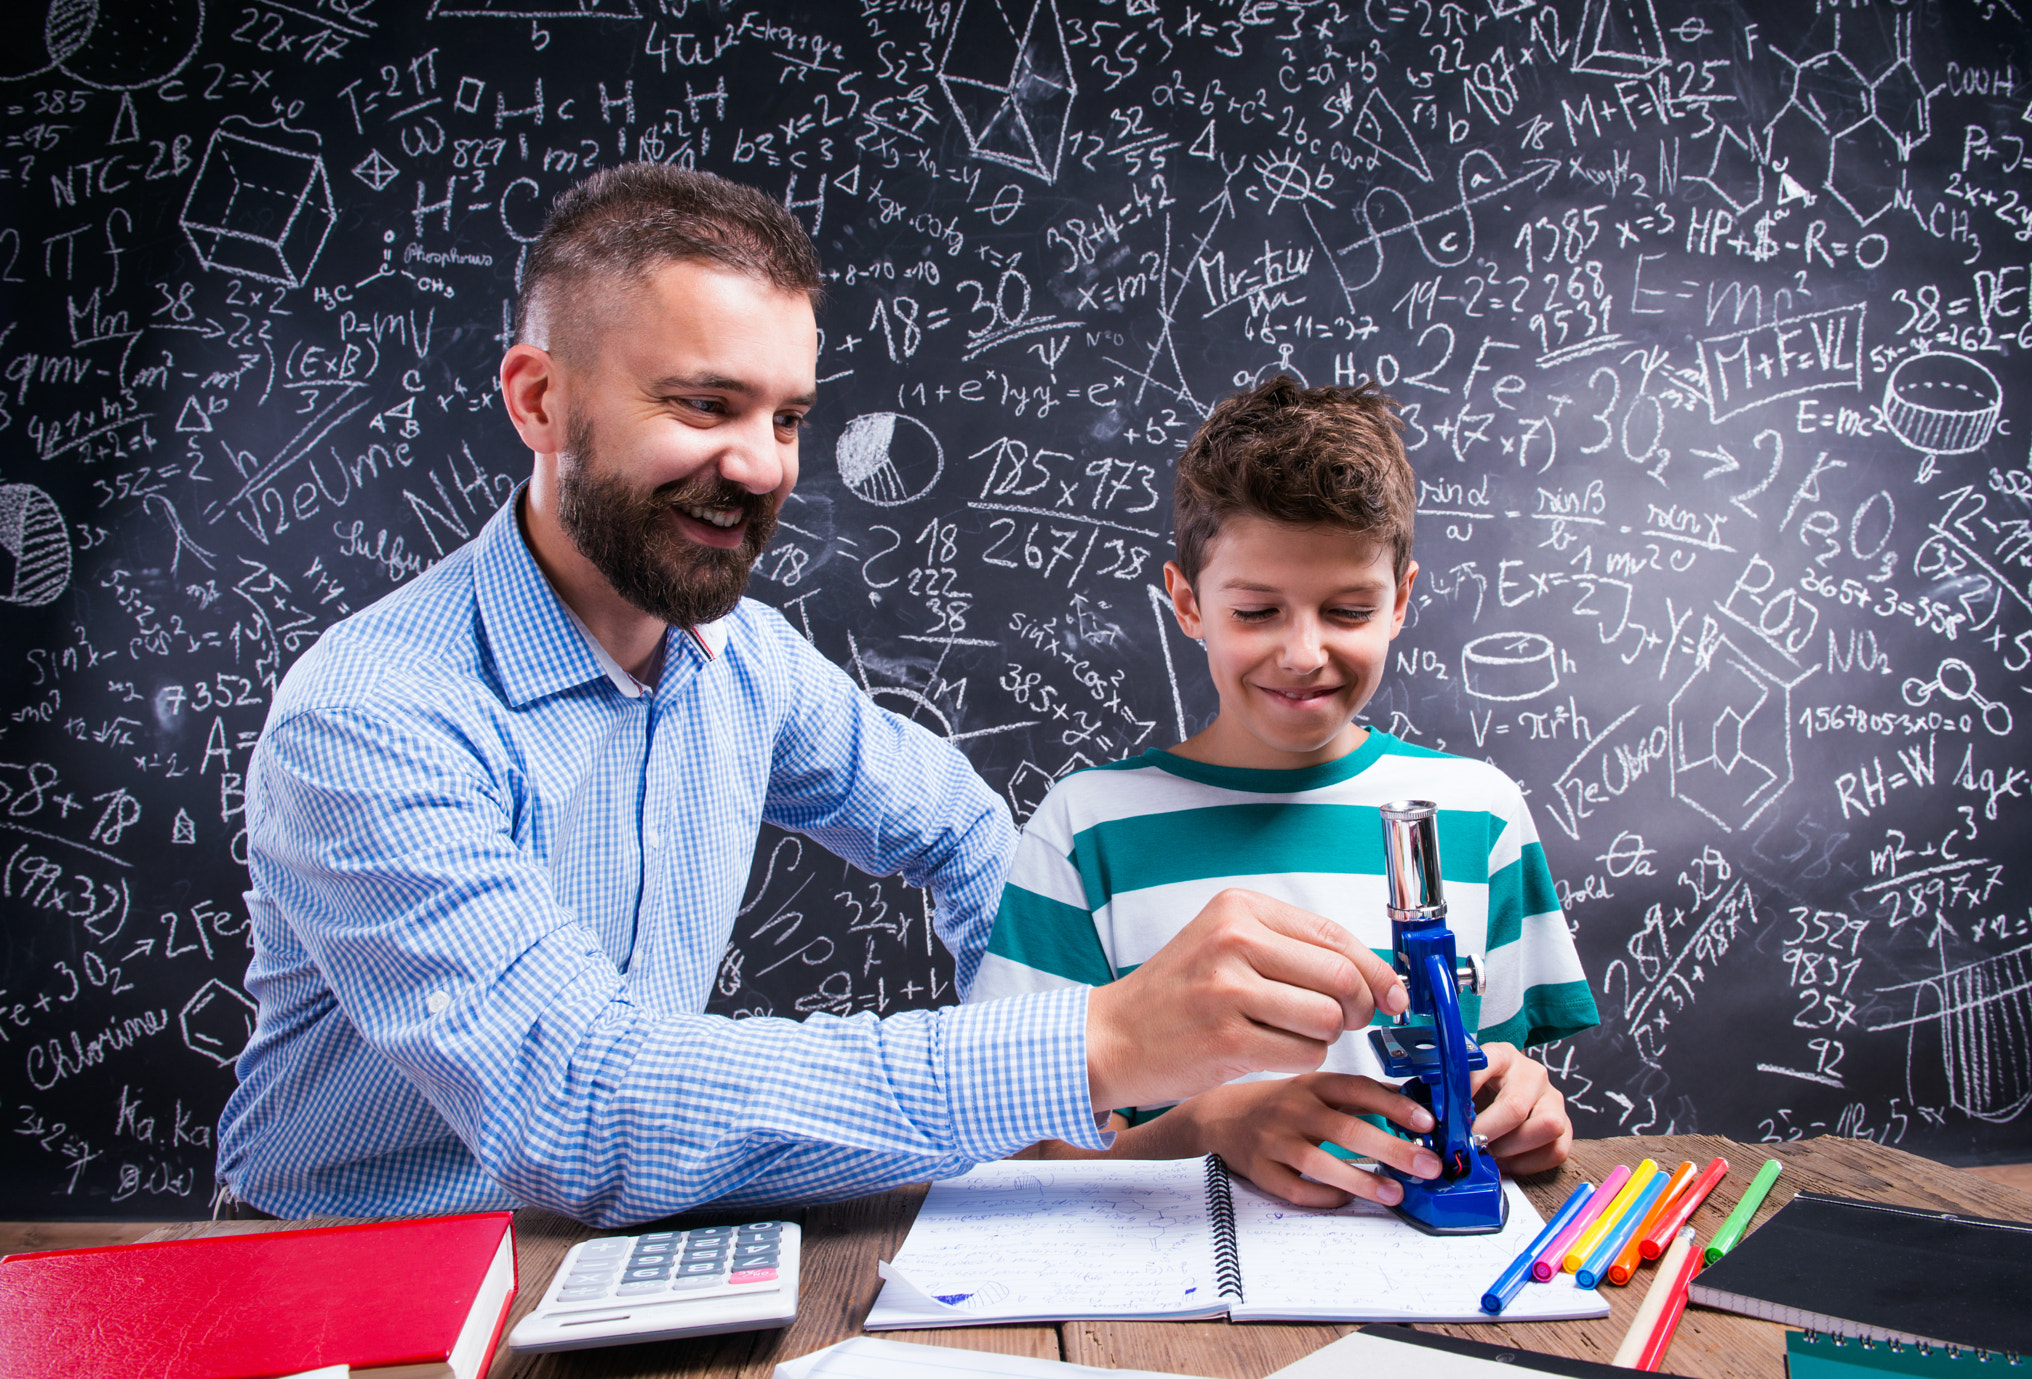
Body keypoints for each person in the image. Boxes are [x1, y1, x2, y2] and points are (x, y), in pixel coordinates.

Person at [214, 166, 1414, 1226]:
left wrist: (1095, 1074)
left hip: (627, 1258)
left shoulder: (746, 660)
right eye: (702, 404)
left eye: (786, 417)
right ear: (538, 400)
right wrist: (1090, 1040)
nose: (759, 466)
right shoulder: (373, 717)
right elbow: (579, 1105)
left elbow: (955, 828)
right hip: (351, 1278)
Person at [968, 376, 1600, 1208]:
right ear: (1189, 604)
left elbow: (1498, 1075)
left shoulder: (1479, 814)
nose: (1303, 653)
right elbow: (1022, 1149)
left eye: (1346, 609)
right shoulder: (1087, 829)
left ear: (1401, 601)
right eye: (1258, 610)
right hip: (1177, 1302)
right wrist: (1203, 1128)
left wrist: (1528, 1110)